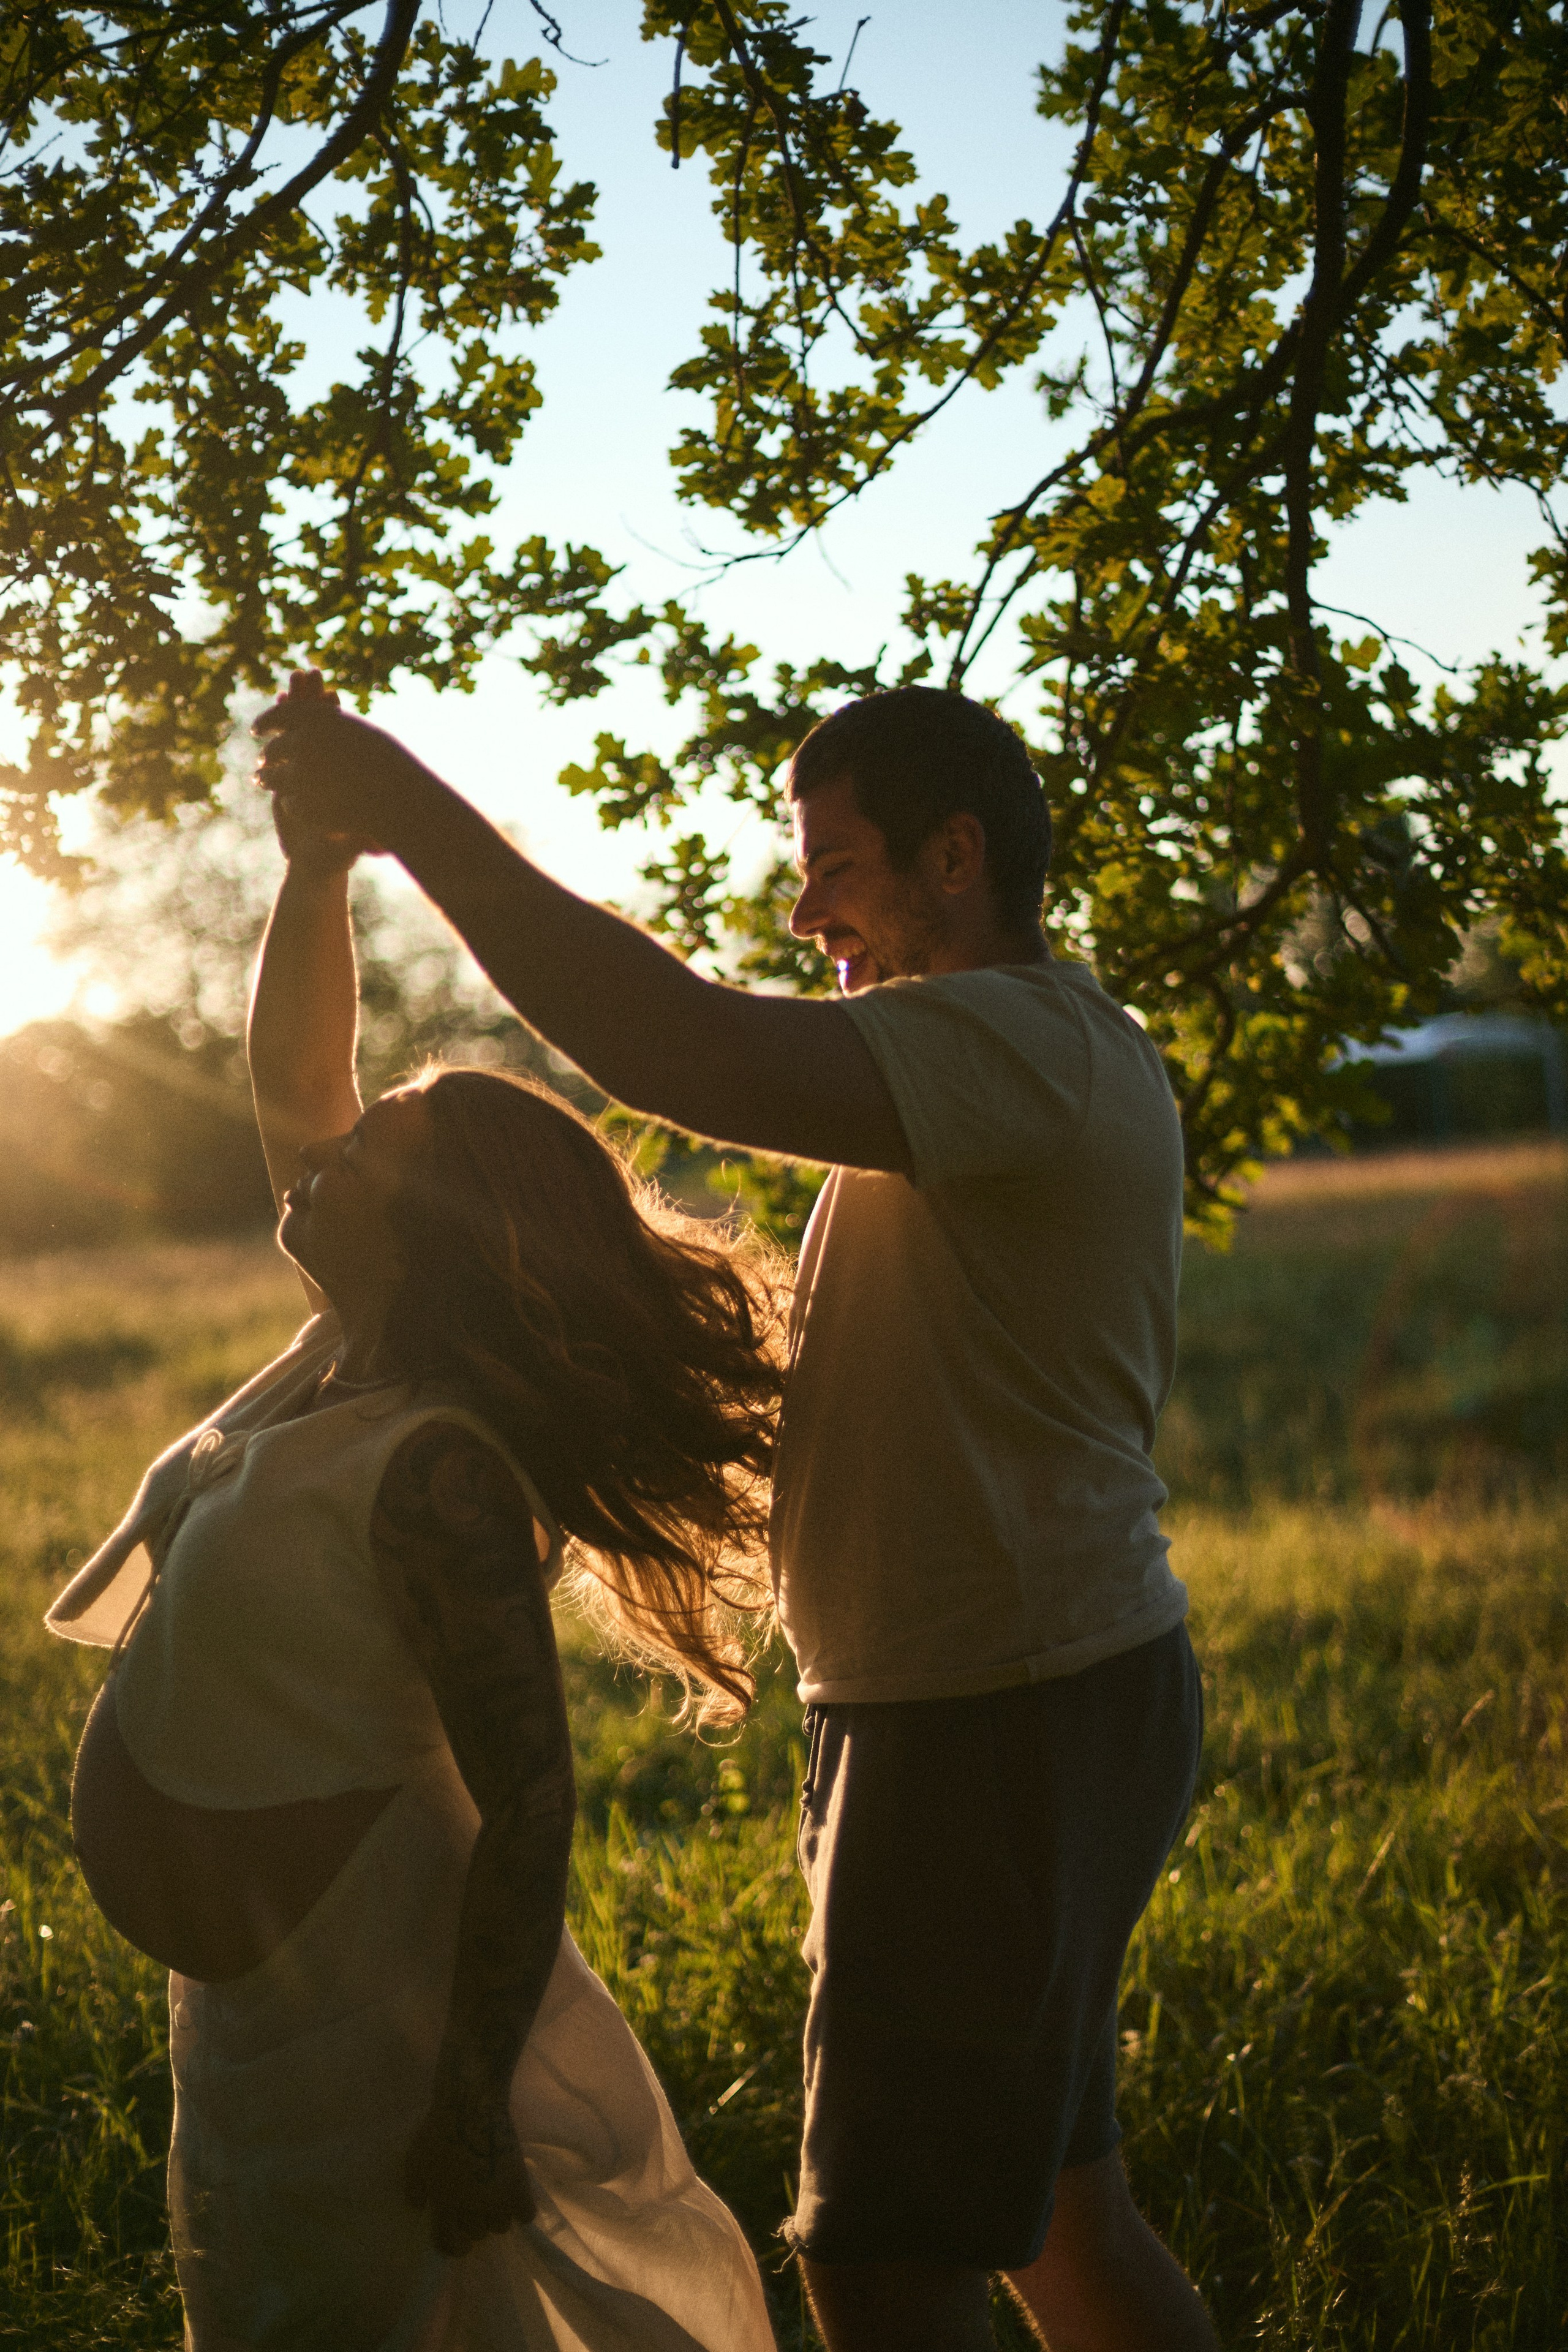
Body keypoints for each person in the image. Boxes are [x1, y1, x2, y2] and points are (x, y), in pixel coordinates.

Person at [257, 671, 1219, 2352]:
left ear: (954, 856)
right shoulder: (993, 1077)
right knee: (1062, 2224)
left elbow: (677, 1045)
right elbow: (313, 1118)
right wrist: (328, 867)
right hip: (988, 1700)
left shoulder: (1030, 1044)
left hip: (997, 1712)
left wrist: (407, 810)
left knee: (883, 2259)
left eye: (834, 864)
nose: (802, 909)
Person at [48, 787, 782, 2351]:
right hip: (259, 2017)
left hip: (382, 2016)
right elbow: (294, 1079)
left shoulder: (439, 1464)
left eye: (363, 1154)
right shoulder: (339, 1359)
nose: (316, 1158)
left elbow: (531, 1796)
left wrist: (469, 2098)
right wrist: (315, 870)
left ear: (432, 1230)